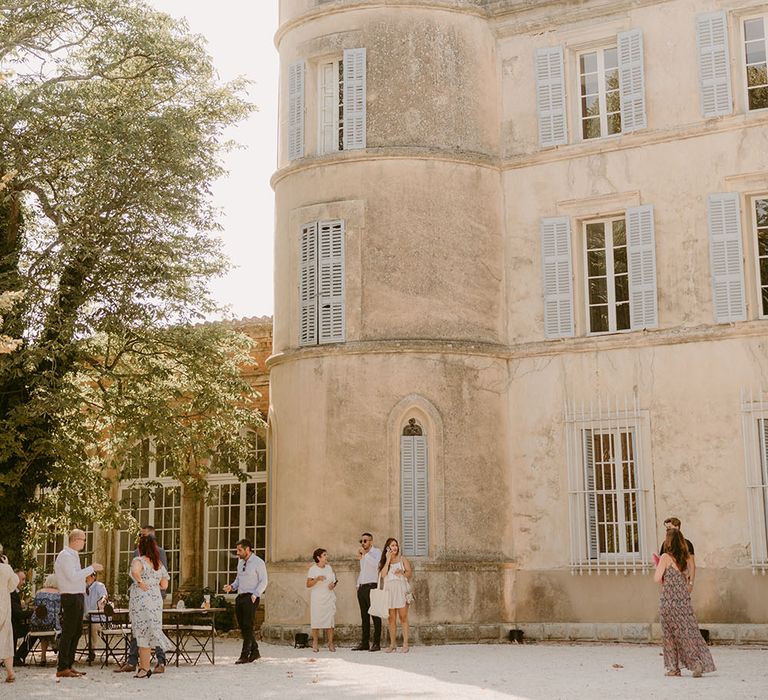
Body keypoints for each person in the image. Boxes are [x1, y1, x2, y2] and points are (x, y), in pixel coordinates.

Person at [654, 529, 715, 677]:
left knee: (669, 635)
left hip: (668, 601)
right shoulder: (685, 557)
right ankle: (697, 663)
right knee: (689, 632)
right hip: (683, 601)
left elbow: (657, 578)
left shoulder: (665, 557)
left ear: (668, 541)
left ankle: (674, 669)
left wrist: (657, 567)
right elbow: (688, 574)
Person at [116, 525, 169, 673]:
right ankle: (134, 662)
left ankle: (159, 662)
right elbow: (164, 581)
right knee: (147, 629)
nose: (141, 537)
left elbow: (135, 573)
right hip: (153, 596)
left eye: (143, 535)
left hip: (145, 597)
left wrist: (141, 583)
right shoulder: (142, 556)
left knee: (142, 629)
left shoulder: (157, 554)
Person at [54, 529, 103, 679]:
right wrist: (91, 568)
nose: (84, 542)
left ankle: (69, 664)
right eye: (83, 539)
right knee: (69, 631)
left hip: (78, 596)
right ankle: (62, 666)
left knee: (76, 631)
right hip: (70, 596)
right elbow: (72, 576)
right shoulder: (65, 556)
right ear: (75, 539)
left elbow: (76, 577)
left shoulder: (73, 555)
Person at [128, 534, 172, 679]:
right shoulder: (158, 563)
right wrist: (154, 584)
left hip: (141, 599)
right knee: (149, 632)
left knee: (141, 632)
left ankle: (144, 667)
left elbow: (135, 571)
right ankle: (144, 667)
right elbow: (165, 584)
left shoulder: (138, 560)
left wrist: (140, 582)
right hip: (156, 600)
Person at [224, 538, 268, 664]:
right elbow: (238, 580)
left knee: (248, 625)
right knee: (243, 626)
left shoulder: (258, 562)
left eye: (239, 550)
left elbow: (264, 581)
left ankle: (245, 655)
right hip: (240, 596)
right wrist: (231, 587)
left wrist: (256, 594)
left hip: (251, 597)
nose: (237, 553)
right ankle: (255, 652)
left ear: (247, 549)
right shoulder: (240, 562)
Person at [378, 538, 412, 653]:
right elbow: (383, 575)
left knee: (403, 617)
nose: (395, 547)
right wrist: (388, 559)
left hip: (401, 590)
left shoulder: (402, 559)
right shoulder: (384, 561)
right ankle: (392, 644)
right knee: (391, 619)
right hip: (389, 591)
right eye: (392, 545)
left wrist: (401, 572)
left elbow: (409, 573)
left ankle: (405, 643)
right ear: (388, 548)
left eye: (396, 545)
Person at [22, 574, 61, 666]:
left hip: (37, 624)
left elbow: (35, 607)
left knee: (44, 631)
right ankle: (59, 655)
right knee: (63, 628)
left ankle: (43, 657)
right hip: (52, 624)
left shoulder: (39, 592)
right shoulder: (59, 594)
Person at [353, 532, 382, 651]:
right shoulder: (363, 555)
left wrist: (366, 555)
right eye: (361, 541)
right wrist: (358, 584)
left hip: (372, 586)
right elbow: (363, 571)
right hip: (362, 587)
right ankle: (364, 643)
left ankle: (376, 643)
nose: (363, 543)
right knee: (364, 617)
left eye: (365, 541)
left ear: (371, 541)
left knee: (375, 615)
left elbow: (377, 566)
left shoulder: (376, 552)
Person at [306, 548, 337, 652]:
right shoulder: (313, 569)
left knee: (330, 621)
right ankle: (315, 642)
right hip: (317, 597)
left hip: (328, 596)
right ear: (318, 557)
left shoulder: (329, 568)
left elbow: (334, 581)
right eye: (324, 555)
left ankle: (330, 643)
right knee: (316, 619)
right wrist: (317, 579)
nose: (326, 556)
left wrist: (333, 585)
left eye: (326, 554)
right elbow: (308, 584)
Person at [659, 517, 696, 591]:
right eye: (666, 528)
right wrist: (663, 583)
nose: (667, 530)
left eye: (669, 528)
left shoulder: (687, 544)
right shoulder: (665, 544)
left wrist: (691, 583)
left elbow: (692, 565)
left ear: (677, 527)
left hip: (683, 583)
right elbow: (661, 566)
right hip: (668, 584)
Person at [0, 553, 20, 683]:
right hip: (4, 605)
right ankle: (10, 672)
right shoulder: (5, 569)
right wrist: (8, 566)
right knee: (6, 638)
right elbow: (14, 584)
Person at [83, 571, 108, 663]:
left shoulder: (99, 586)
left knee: (92, 626)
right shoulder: (83, 587)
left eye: (87, 575)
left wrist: (103, 600)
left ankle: (91, 650)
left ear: (93, 576)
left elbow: (104, 596)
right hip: (86, 617)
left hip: (99, 618)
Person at [11, 570, 29, 667]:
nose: (24, 582)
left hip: (15, 625)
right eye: (22, 579)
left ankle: (18, 656)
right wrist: (33, 612)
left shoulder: (15, 593)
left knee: (31, 628)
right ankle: (17, 656)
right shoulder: (11, 593)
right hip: (12, 626)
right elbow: (18, 614)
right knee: (33, 629)